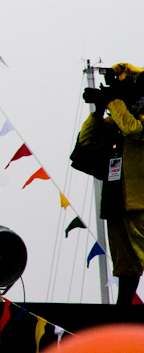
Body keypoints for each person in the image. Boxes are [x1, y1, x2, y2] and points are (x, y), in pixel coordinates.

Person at [79, 63, 144, 305]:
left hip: (140, 202)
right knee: (126, 265)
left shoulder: (132, 116)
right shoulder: (118, 115)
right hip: (117, 202)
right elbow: (87, 142)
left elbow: (133, 129)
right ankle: (122, 309)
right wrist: (97, 112)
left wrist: (114, 101)